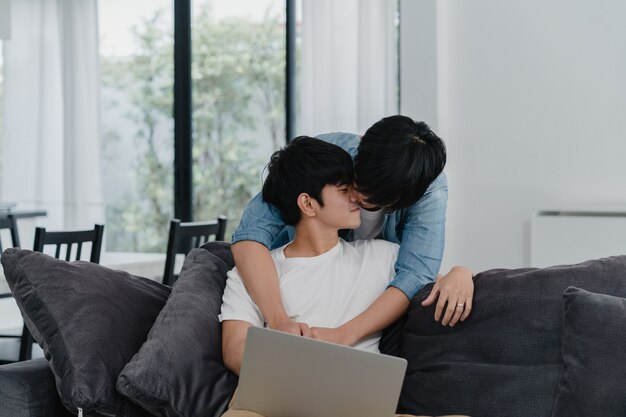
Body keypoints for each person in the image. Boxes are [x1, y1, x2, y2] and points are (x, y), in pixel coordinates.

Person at [219, 137, 471, 417]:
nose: (357, 199)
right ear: (308, 204)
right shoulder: (254, 272)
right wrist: (302, 364)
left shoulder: (384, 256)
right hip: (274, 407)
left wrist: (462, 273)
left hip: (356, 410)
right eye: (344, 189)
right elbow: (234, 350)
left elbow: (428, 276)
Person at [231, 116, 473, 349]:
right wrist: (279, 321)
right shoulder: (328, 153)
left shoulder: (425, 194)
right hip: (291, 272)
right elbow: (252, 233)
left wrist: (344, 337)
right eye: (349, 184)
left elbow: (416, 274)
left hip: (365, 301)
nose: (353, 197)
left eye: (367, 196)